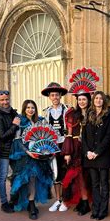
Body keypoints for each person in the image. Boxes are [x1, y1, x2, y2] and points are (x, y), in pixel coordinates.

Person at [9, 100, 54, 220]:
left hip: (37, 156)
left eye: (32, 107)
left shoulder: (40, 120)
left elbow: (45, 137)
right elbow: (17, 140)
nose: (30, 110)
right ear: (24, 109)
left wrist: (43, 150)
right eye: (28, 107)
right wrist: (28, 152)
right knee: (22, 180)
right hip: (24, 155)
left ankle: (32, 204)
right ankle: (17, 199)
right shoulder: (20, 121)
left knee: (33, 179)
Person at [82, 91, 110, 220]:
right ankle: (95, 209)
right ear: (93, 100)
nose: (98, 100)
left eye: (101, 98)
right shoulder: (89, 114)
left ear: (104, 101)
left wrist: (97, 152)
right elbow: (83, 136)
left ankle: (103, 210)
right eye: (96, 98)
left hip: (103, 155)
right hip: (90, 155)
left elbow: (108, 136)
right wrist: (87, 152)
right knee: (94, 184)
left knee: (104, 183)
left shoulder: (109, 115)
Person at [60, 89, 92, 216]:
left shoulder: (93, 113)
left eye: (84, 99)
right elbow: (69, 133)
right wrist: (67, 152)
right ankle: (83, 201)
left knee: (88, 176)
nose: (82, 102)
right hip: (76, 149)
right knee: (78, 177)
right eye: (79, 99)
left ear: (88, 100)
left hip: (89, 149)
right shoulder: (72, 115)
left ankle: (85, 201)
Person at [42, 82, 69, 212]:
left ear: (60, 96)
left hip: (65, 144)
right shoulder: (46, 113)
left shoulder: (67, 110)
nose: (55, 97)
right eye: (52, 95)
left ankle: (65, 200)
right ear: (49, 97)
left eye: (57, 95)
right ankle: (58, 200)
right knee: (55, 173)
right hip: (52, 146)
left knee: (66, 172)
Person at [0, 90, 20, 213]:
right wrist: (14, 126)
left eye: (7, 99)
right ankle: (4, 202)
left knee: (17, 175)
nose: (5, 102)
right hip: (3, 151)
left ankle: (14, 198)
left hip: (15, 149)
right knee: (2, 177)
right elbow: (2, 136)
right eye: (2, 100)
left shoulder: (13, 112)